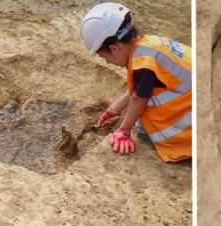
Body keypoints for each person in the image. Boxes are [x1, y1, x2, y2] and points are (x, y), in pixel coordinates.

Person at [80, 3, 191, 162]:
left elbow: (139, 98)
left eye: (105, 58)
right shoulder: (148, 46)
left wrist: (124, 130)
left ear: (114, 48)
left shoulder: (143, 63)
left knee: (143, 114)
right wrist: (114, 110)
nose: (109, 63)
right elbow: (139, 87)